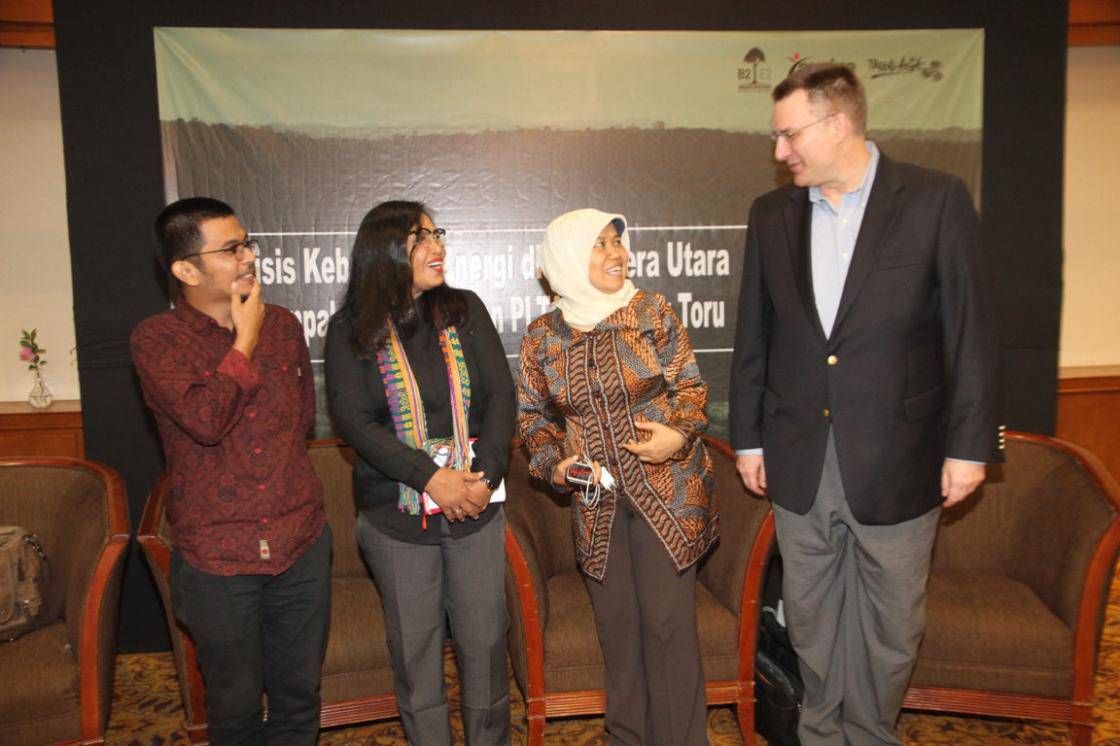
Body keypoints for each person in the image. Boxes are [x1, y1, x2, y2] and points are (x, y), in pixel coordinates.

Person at [729, 63, 1003, 745]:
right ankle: (822, 736)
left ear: (837, 124)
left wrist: (969, 449)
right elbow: (754, 335)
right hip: (798, 455)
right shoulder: (771, 214)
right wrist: (749, 439)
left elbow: (971, 333)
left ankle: (872, 734)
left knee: (890, 626)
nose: (779, 152)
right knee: (811, 620)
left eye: (790, 135)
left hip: (899, 456)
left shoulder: (935, 199)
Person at [131, 197, 331, 745]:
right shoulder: (156, 339)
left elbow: (301, 422)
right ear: (186, 270)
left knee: (299, 700)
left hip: (300, 542)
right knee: (236, 709)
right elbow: (205, 421)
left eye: (247, 244)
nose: (247, 257)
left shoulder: (284, 326)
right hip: (219, 558)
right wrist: (244, 339)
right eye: (230, 249)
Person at [517, 208, 719, 746]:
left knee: (668, 630)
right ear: (566, 259)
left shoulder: (651, 311)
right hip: (595, 504)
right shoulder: (543, 336)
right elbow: (533, 419)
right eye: (600, 244)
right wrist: (555, 465)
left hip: (669, 494)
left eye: (618, 243)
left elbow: (692, 391)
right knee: (619, 633)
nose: (617, 254)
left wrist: (677, 434)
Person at [324, 200, 515, 745]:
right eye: (421, 238)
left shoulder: (463, 309)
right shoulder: (350, 330)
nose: (437, 247)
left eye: (437, 234)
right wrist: (432, 479)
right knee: (417, 657)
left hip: (476, 509)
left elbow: (501, 396)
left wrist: (483, 478)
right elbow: (355, 422)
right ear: (385, 251)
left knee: (486, 648)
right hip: (396, 521)